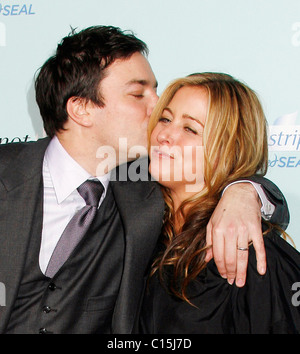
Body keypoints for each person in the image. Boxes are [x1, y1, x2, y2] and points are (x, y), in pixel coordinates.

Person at [0, 27, 288, 334]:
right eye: (138, 94)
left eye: (156, 93)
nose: (156, 108)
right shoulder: (6, 173)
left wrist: (244, 192)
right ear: (82, 108)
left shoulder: (145, 189)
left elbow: (229, 176)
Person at [140, 73, 300, 334]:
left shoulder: (250, 256)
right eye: (165, 119)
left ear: (230, 148)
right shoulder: (143, 229)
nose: (164, 135)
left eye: (190, 129)